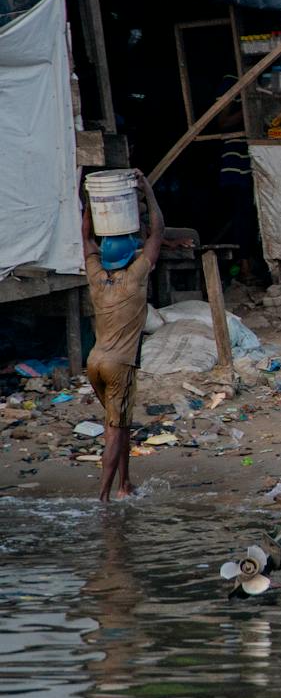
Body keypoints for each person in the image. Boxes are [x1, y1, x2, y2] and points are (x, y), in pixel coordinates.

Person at [79, 169, 165, 503]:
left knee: (121, 423)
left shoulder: (98, 277)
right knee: (115, 431)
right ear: (132, 254)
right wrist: (147, 191)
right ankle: (102, 499)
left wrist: (90, 202)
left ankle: (125, 483)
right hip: (120, 366)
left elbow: (86, 239)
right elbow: (157, 230)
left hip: (94, 363)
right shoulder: (135, 278)